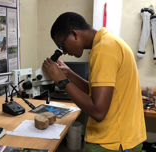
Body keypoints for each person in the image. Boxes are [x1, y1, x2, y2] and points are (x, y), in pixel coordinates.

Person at [42, 12, 146, 152]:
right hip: (124, 137)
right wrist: (70, 74)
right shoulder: (109, 42)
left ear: (73, 34)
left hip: (111, 143)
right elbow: (97, 93)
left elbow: (98, 112)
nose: (64, 52)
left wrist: (60, 80)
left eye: (63, 45)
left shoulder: (103, 50)